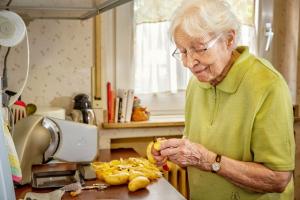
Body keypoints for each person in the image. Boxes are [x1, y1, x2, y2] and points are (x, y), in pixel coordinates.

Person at [151, 0, 295, 199]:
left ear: (229, 39)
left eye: (200, 49)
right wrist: (178, 152)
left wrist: (208, 160)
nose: (189, 63)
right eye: (183, 51)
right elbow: (199, 143)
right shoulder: (196, 84)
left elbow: (278, 178)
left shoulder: (268, 85)